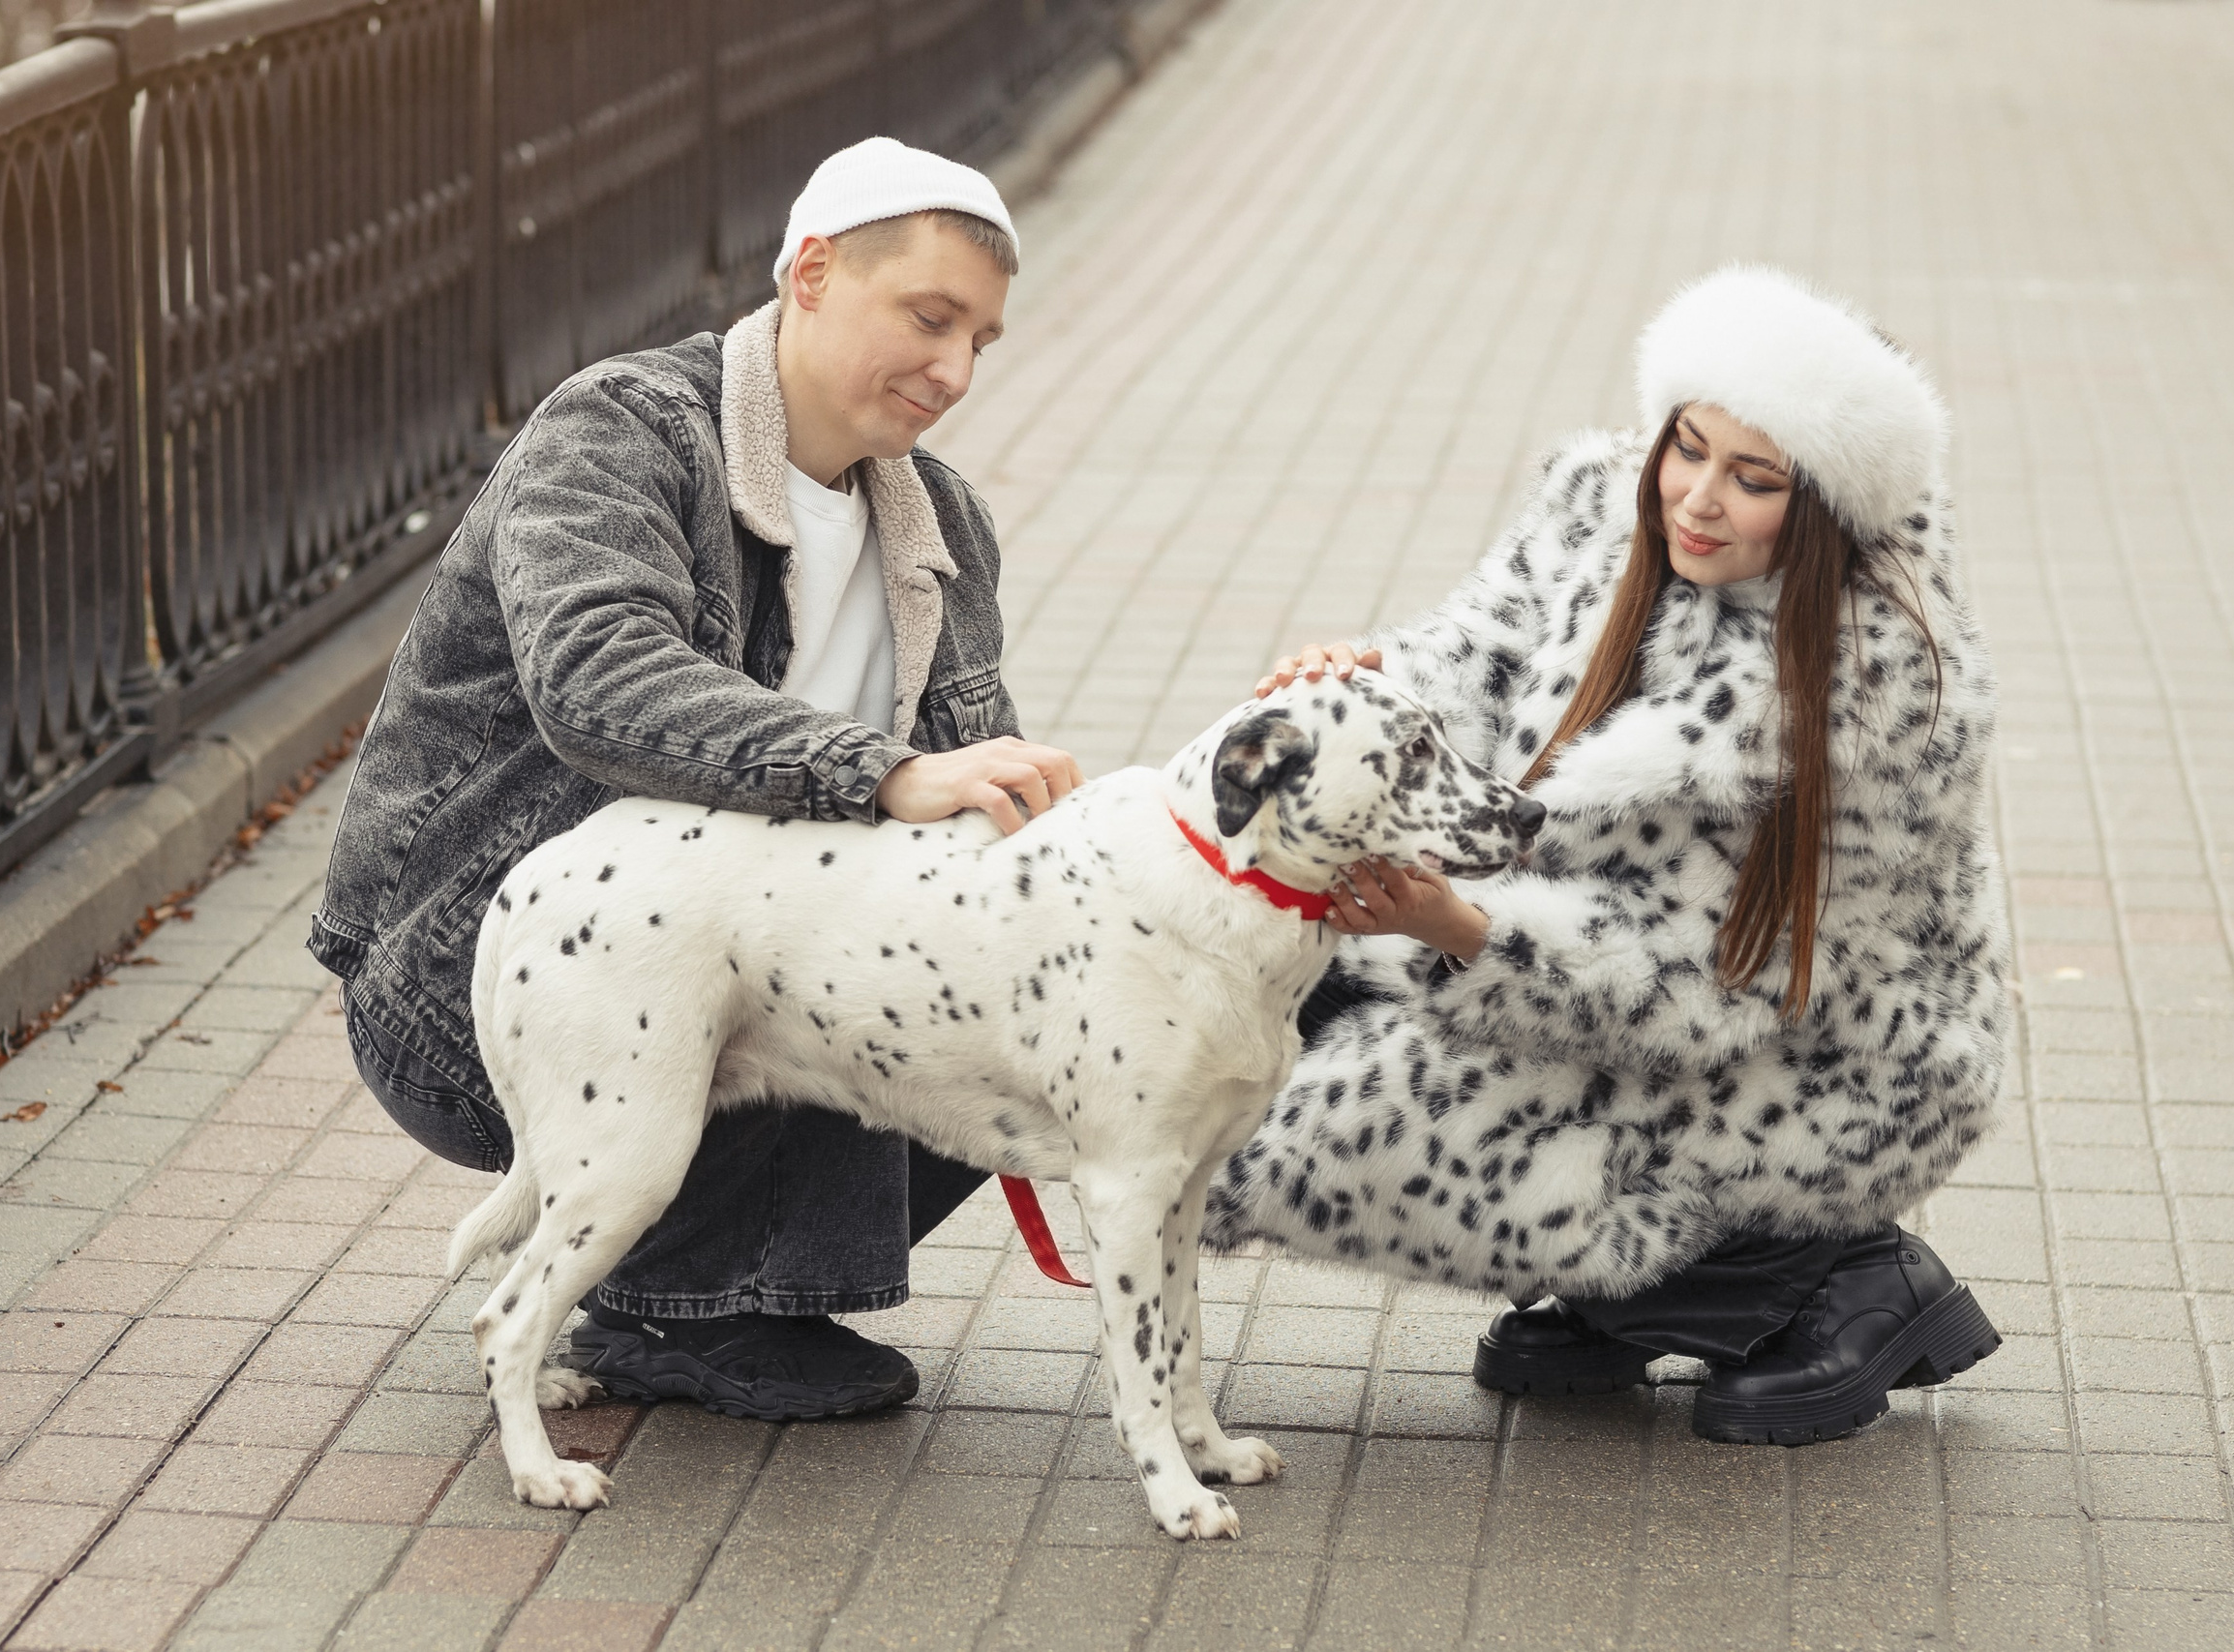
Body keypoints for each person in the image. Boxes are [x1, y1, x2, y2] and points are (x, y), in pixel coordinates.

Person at [311, 138, 1081, 1422]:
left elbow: (968, 820)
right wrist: (883, 774)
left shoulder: (941, 525)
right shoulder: (619, 431)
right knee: (829, 933)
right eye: (930, 318)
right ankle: (674, 1300)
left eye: (980, 343)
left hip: (746, 978)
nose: (953, 372)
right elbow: (599, 678)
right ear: (817, 271)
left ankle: (709, 1279)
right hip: (478, 989)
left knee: (1031, 1017)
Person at [1204, 267, 2012, 1444]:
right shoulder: (1599, 503)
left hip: (1815, 1074)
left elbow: (1710, 995)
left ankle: (1829, 1272)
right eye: (1686, 448)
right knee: (1244, 994)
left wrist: (1461, 932)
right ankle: (1644, 1292)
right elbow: (1468, 655)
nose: (1696, 499)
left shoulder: (1880, 690)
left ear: (1829, 503)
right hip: (1581, 989)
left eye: (1754, 480)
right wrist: (1360, 690)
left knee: (1306, 1129)